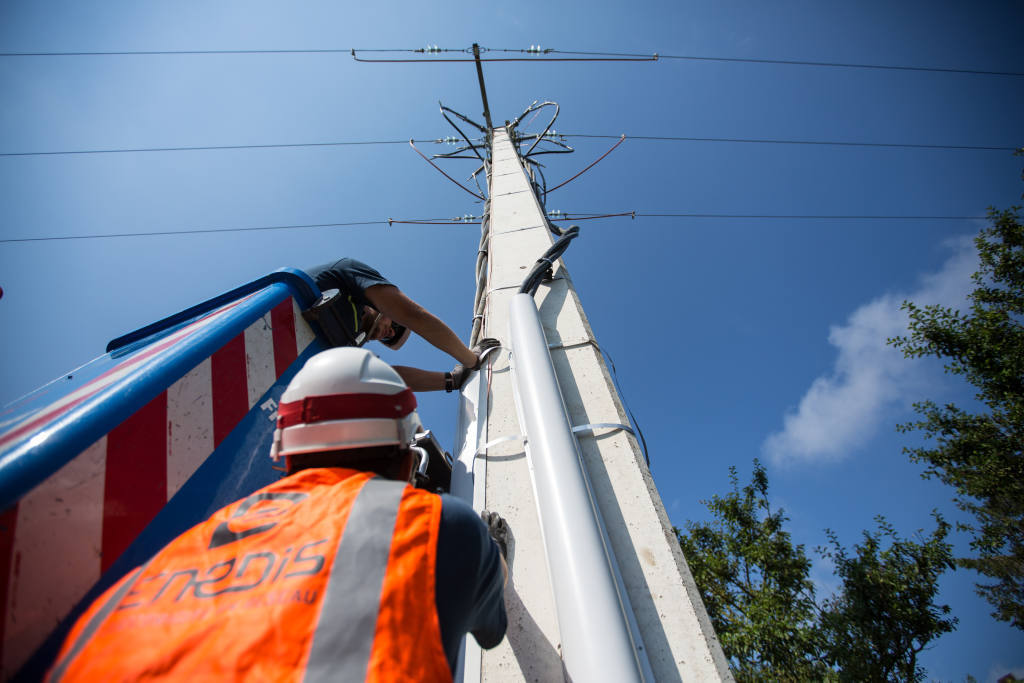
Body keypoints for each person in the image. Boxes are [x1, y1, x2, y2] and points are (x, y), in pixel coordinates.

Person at [47, 347, 509, 682]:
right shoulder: (435, 527)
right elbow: (491, 628)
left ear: (283, 457)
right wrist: (493, 551)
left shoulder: (148, 573)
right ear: (409, 460)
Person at [305, 257, 497, 392]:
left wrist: (453, 380)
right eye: (395, 325)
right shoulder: (345, 272)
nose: (389, 332)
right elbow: (413, 316)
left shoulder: (346, 345)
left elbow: (380, 377)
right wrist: (471, 360)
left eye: (390, 336)